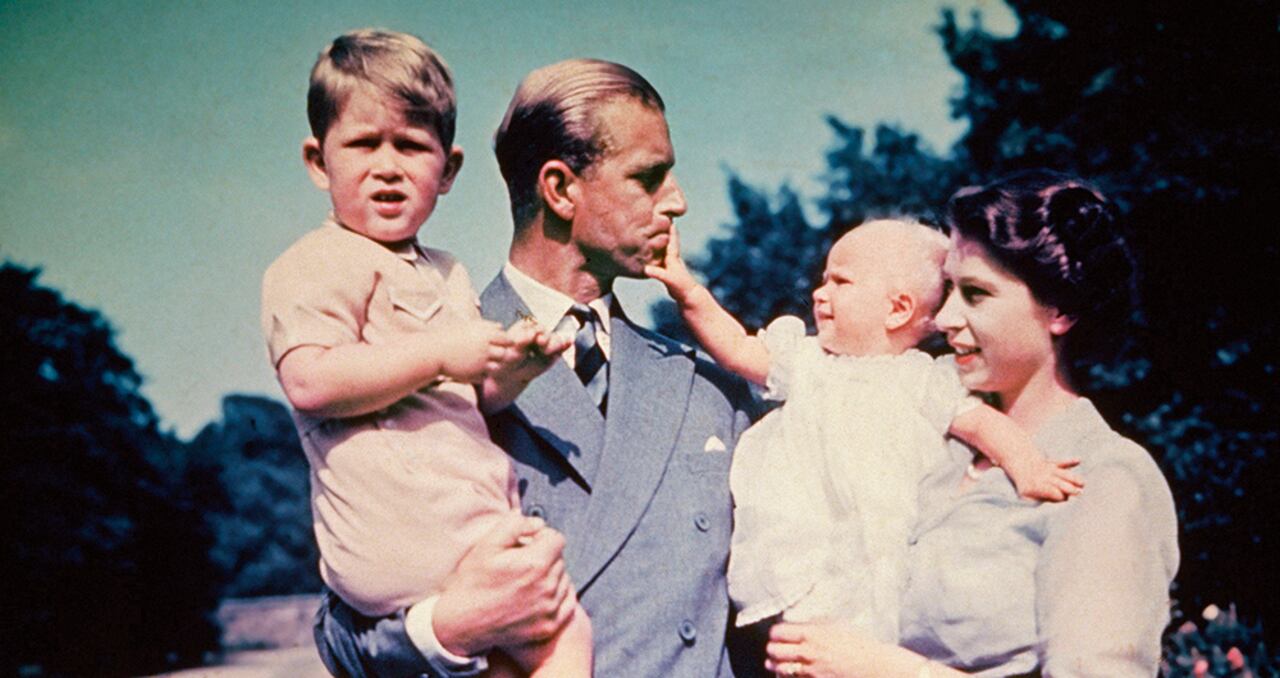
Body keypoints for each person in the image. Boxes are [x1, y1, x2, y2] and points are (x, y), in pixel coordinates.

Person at [315, 58, 758, 677]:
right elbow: (342, 636)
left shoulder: (711, 390)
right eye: (649, 177)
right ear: (560, 189)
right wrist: (447, 628)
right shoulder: (415, 368)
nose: (677, 202)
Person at [260, 29, 591, 677]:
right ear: (317, 160)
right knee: (562, 630)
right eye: (362, 144)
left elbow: (474, 394)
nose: (388, 165)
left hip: (466, 524)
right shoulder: (312, 265)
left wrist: (516, 369)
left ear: (448, 171)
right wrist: (443, 350)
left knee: (540, 645)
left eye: (412, 146)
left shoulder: (445, 272)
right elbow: (309, 381)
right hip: (399, 534)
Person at [763, 171, 1179, 678]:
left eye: (977, 294)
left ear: (1060, 311)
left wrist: (889, 671)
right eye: (949, 290)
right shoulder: (927, 441)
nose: (943, 318)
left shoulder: (1106, 477)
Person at [647, 218, 1082, 643]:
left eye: (841, 282)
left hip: (881, 558)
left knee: (865, 640)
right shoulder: (807, 361)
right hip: (798, 554)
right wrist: (688, 292)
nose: (819, 293)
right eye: (824, 279)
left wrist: (1028, 466)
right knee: (799, 646)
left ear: (898, 309)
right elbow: (738, 348)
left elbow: (985, 425)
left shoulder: (923, 380)